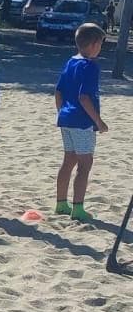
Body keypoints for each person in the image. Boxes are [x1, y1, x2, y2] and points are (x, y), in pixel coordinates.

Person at [54, 22, 108, 223]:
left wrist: (62, 113)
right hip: (82, 121)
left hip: (66, 118)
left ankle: (61, 203)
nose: (100, 49)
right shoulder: (90, 66)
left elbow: (58, 92)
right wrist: (99, 122)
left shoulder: (70, 62)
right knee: (85, 164)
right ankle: (78, 207)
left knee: (68, 161)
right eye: (101, 44)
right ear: (94, 44)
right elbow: (84, 97)